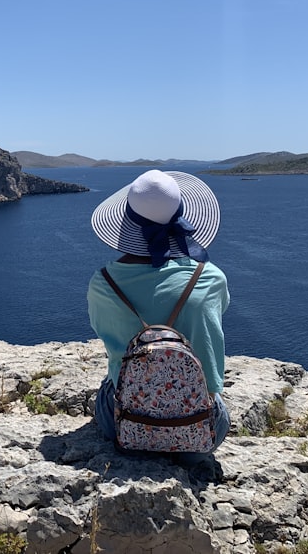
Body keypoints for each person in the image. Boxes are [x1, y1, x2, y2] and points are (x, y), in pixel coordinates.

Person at [87, 169, 231, 458]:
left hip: (124, 423)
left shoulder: (103, 284)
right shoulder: (210, 278)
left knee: (108, 385)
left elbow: (102, 333)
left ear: (127, 222)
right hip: (201, 423)